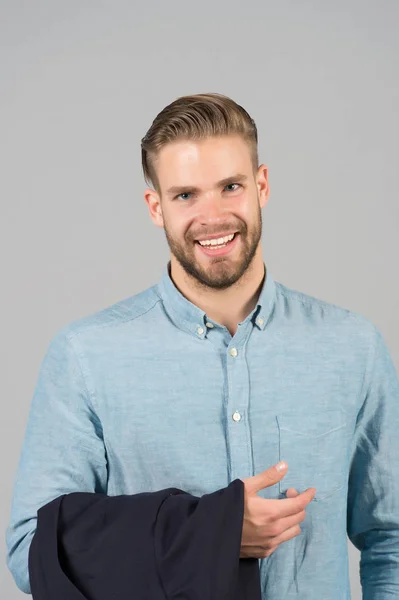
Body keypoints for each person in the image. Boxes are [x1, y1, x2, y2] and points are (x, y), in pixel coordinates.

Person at [6, 92, 399, 598]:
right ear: (156, 207)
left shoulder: (353, 347)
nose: (212, 217)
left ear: (262, 185)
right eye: (186, 195)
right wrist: (210, 532)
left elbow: (390, 536)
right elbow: (31, 549)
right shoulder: (85, 356)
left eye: (231, 187)